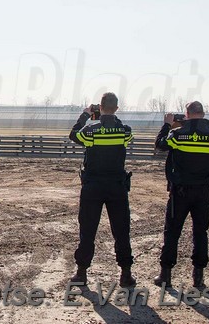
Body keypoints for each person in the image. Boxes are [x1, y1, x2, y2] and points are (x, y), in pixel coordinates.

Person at [69, 92, 136, 287]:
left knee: (88, 230)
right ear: (116, 108)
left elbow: (74, 134)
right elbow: (124, 131)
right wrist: (111, 116)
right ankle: (125, 274)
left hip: (93, 186)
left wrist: (85, 115)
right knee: (121, 230)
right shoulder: (124, 131)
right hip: (117, 186)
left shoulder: (91, 131)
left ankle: (81, 273)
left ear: (99, 107)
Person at [153, 101, 209, 289]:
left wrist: (168, 124)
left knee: (172, 232)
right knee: (201, 233)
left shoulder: (177, 135)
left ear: (187, 114)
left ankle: (165, 275)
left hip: (180, 192)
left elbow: (160, 145)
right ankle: (198, 278)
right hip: (203, 191)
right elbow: (199, 134)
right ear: (204, 112)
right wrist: (188, 124)